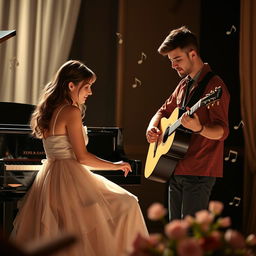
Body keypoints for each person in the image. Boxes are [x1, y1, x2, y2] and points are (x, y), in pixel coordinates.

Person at [11, 60, 148, 256]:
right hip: (69, 178)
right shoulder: (71, 111)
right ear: (71, 85)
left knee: (77, 226)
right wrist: (115, 165)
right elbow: (82, 158)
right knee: (128, 203)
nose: (90, 92)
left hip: (51, 178)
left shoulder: (51, 110)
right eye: (87, 86)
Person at [146, 26, 230, 221]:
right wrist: (153, 127)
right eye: (171, 61)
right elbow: (162, 111)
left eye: (177, 59)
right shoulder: (184, 85)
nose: (173, 65)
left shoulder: (215, 86)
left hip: (199, 172)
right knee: (176, 234)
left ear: (192, 54)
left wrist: (199, 128)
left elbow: (222, 131)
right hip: (175, 167)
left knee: (191, 236)